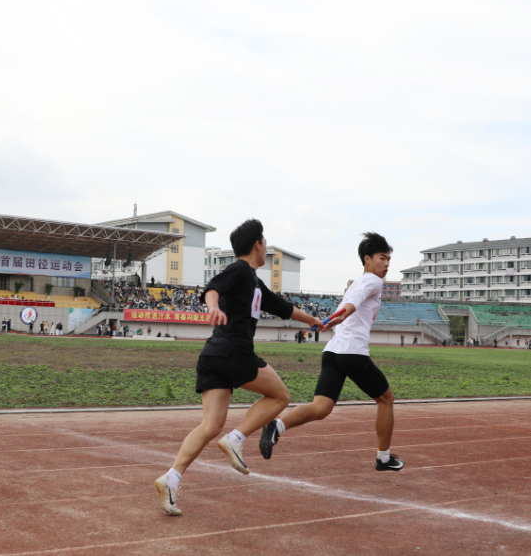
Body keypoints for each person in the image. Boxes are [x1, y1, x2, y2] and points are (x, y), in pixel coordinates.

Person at [155, 219, 322, 516]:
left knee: (210, 425)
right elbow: (212, 287)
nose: (267, 247)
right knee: (281, 397)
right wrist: (213, 306)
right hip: (234, 351)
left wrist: (313, 321)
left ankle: (171, 478)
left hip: (214, 355)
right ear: (257, 244)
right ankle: (236, 439)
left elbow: (281, 306)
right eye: (265, 242)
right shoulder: (241, 270)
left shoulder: (254, 283)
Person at [262, 233, 404, 473]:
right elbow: (351, 306)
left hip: (332, 353)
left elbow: (346, 308)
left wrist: (329, 323)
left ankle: (277, 426)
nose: (387, 264)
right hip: (353, 354)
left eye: (389, 259)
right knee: (386, 399)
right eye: (382, 258)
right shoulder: (373, 282)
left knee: (321, 407)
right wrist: (334, 318)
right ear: (367, 259)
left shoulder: (355, 284)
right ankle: (383, 458)